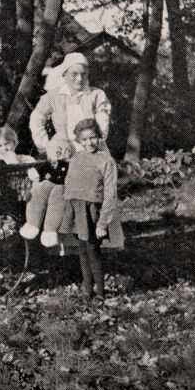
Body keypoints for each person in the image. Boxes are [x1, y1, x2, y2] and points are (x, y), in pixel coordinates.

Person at [61, 118, 124, 303]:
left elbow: (110, 193)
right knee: (82, 251)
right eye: (85, 139)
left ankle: (100, 293)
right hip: (76, 210)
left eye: (93, 138)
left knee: (93, 251)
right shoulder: (76, 158)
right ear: (79, 141)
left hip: (92, 212)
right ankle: (86, 289)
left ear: (100, 137)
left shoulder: (106, 161)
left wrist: (102, 222)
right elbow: (70, 184)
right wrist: (69, 212)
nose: (89, 143)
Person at [29, 51, 111, 151]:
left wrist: (94, 145)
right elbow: (36, 119)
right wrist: (46, 146)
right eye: (74, 74)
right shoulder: (53, 96)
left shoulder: (96, 95)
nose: (79, 79)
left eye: (83, 74)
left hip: (93, 150)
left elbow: (103, 123)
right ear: (64, 74)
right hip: (66, 151)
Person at [20, 136, 74, 249]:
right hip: (48, 183)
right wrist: (35, 172)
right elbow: (39, 170)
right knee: (38, 191)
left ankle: (50, 231)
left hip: (62, 187)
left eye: (67, 150)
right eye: (60, 149)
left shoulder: (72, 165)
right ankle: (32, 224)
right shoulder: (50, 163)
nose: (63, 152)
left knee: (57, 201)